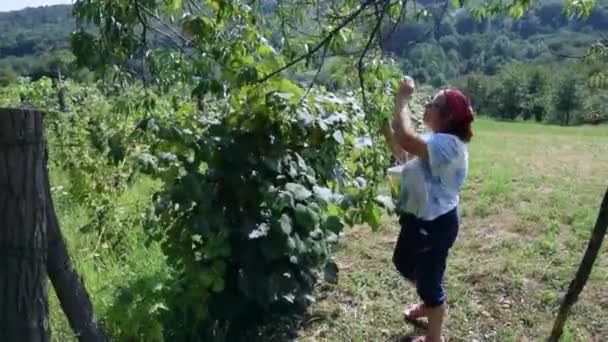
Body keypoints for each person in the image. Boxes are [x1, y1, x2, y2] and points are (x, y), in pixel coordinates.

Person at [381, 77, 474, 342]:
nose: (427, 105)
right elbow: (405, 153)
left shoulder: (450, 145)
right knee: (403, 262)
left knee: (430, 282)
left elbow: (408, 141)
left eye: (433, 103)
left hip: (436, 225)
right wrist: (388, 131)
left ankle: (435, 332)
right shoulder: (437, 139)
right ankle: (430, 300)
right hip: (420, 220)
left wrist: (402, 99)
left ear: (446, 115)